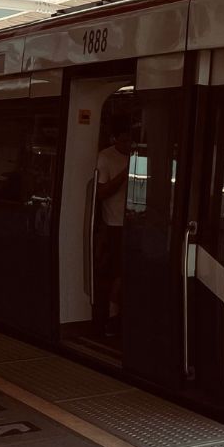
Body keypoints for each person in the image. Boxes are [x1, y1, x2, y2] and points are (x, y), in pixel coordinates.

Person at [94, 117, 131, 337]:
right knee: (118, 273)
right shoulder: (106, 157)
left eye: (130, 140)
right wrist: (126, 174)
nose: (128, 145)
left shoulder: (140, 154)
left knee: (124, 272)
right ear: (115, 139)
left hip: (134, 223)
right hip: (114, 224)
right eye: (124, 140)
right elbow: (101, 193)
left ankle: (116, 316)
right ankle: (111, 318)